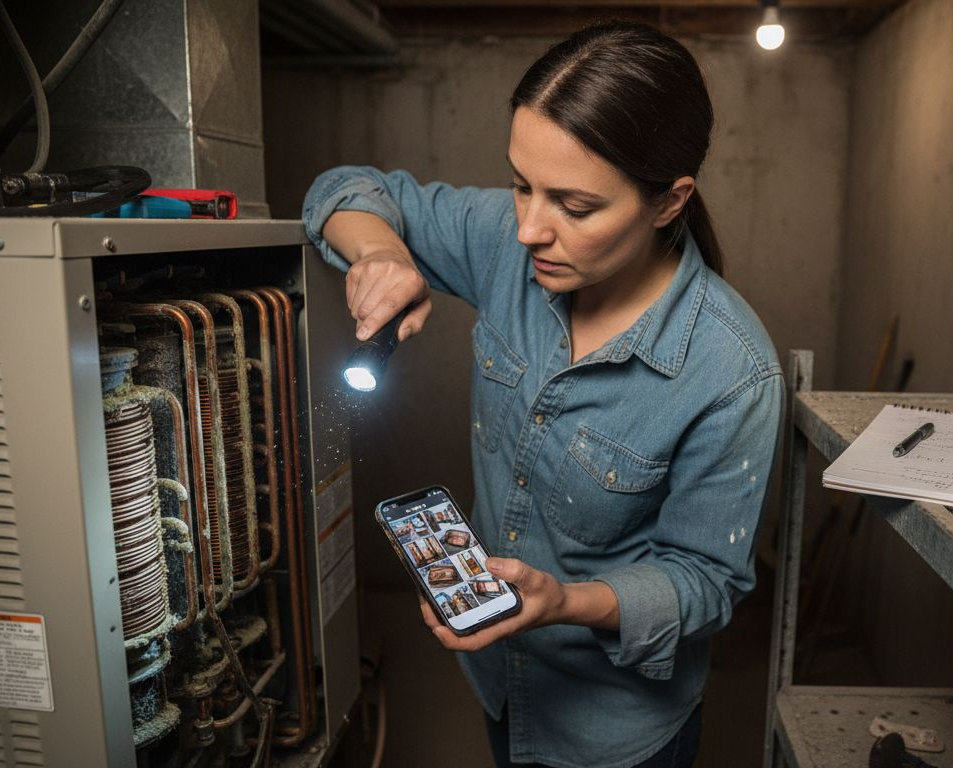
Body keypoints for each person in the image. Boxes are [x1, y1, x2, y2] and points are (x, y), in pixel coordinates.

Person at [303, 21, 783, 768]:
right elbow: (344, 188)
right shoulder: (508, 242)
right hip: (501, 684)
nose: (529, 228)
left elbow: (705, 583)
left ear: (668, 201)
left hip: (617, 735)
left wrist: (564, 603)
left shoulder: (732, 371)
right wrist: (382, 253)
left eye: (575, 206)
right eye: (520, 185)